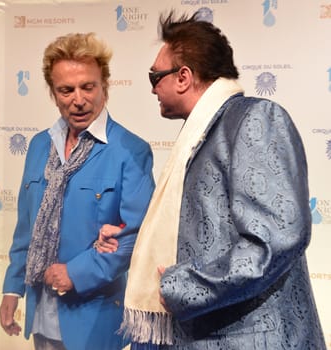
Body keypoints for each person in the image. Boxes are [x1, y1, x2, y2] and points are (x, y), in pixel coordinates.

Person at [98, 10, 327, 350]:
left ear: (183, 76)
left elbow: (276, 238)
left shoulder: (254, 119)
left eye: (154, 77)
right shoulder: (201, 133)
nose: (152, 90)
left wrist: (182, 286)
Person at [0, 32, 155, 350]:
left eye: (88, 86)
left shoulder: (130, 151)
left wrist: (77, 272)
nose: (78, 99)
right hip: (40, 314)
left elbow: (136, 236)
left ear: (105, 85)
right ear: (53, 93)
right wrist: (12, 288)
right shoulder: (39, 145)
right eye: (66, 90)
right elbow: (26, 229)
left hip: (94, 321)